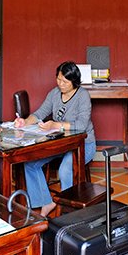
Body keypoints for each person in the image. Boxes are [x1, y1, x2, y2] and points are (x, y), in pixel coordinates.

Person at [17, 61, 96, 216]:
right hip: (60, 143)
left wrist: (55, 125)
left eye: (65, 82)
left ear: (74, 82)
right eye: (58, 79)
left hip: (83, 144)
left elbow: (81, 125)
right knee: (30, 163)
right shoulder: (54, 93)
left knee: (65, 170)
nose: (60, 84)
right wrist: (24, 122)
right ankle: (45, 202)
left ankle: (68, 211)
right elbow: (40, 113)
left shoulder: (82, 96)